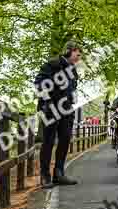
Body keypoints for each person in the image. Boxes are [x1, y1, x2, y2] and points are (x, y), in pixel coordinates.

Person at [34, 40, 82, 188]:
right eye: (77, 54)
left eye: (80, 55)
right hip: (51, 107)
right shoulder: (52, 64)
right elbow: (39, 82)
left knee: (65, 139)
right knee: (48, 141)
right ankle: (45, 176)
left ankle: (59, 174)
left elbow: (72, 87)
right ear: (68, 51)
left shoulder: (73, 70)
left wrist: (73, 97)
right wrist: (47, 101)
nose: (78, 57)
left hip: (66, 109)